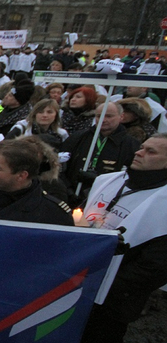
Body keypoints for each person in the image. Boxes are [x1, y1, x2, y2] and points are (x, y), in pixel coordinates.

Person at [79, 134, 167, 343]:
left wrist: (103, 283)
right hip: (77, 282)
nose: (139, 152)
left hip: (113, 300)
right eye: (142, 147)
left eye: (151, 151)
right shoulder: (109, 181)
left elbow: (154, 267)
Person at [61, 103, 140, 204]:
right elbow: (59, 165)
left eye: (109, 116)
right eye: (99, 116)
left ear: (121, 116)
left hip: (107, 199)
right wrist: (67, 189)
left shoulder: (131, 144)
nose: (103, 119)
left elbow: (132, 175)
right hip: (73, 195)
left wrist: (98, 180)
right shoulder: (78, 137)